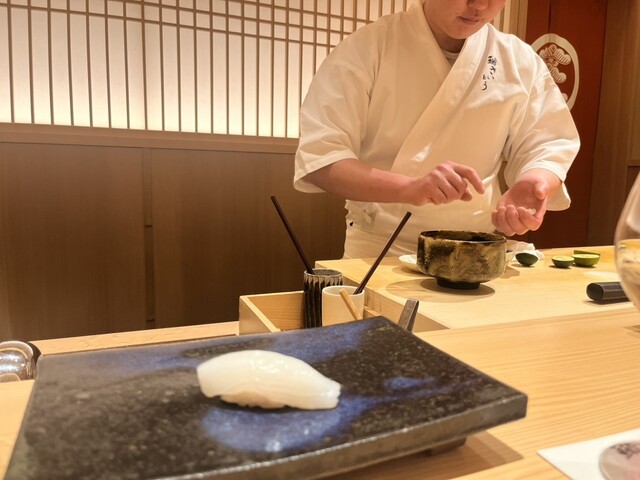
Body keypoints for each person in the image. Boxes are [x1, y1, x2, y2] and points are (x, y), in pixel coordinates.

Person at [293, 0, 580, 258]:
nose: (480, 5)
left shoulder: (519, 60)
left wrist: (536, 179)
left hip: (476, 252)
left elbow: (548, 143)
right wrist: (410, 188)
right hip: (380, 252)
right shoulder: (367, 47)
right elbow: (323, 158)